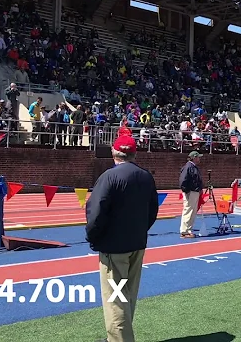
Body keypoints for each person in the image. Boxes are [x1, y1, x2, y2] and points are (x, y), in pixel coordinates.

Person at [85, 133, 159, 342]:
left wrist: (93, 237)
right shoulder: (146, 176)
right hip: (137, 243)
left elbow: (96, 212)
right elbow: (153, 210)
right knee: (128, 295)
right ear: (134, 154)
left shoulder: (109, 177)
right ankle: (118, 336)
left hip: (114, 246)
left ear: (113, 153)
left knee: (115, 299)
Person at [179, 151, 204, 238]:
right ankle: (184, 231)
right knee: (188, 211)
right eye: (198, 157)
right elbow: (183, 180)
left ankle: (188, 229)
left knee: (192, 211)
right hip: (191, 192)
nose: (199, 159)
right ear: (194, 157)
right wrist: (186, 191)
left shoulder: (193, 167)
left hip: (195, 191)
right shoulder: (189, 167)